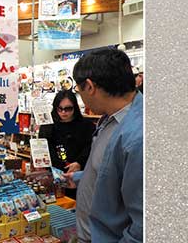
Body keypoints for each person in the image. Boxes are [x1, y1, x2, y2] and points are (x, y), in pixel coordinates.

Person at [66, 49, 142, 243]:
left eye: (78, 89)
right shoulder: (110, 119)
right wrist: (80, 177)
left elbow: (142, 226)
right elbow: (112, 174)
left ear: (89, 86)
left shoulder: (136, 136)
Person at [38, 90, 95, 198]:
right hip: (54, 178)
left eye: (68, 108)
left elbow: (92, 147)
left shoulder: (87, 126)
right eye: (60, 109)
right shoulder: (47, 126)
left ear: (75, 107)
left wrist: (79, 163)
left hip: (79, 178)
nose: (63, 112)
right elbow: (44, 149)